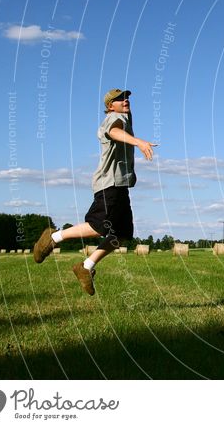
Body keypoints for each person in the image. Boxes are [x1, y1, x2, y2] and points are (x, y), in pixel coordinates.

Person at [32, 89, 156, 295]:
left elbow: (124, 123)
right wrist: (140, 142)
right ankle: (55, 237)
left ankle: (86, 267)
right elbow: (114, 132)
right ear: (109, 106)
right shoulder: (113, 119)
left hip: (120, 186)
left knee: (121, 234)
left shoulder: (123, 118)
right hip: (109, 184)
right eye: (119, 99)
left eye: (126, 97)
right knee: (100, 226)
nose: (125, 100)